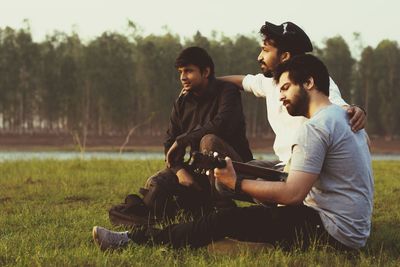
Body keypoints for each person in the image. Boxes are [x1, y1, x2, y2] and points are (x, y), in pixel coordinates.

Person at [92, 54, 374, 252]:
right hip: (352, 230)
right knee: (259, 202)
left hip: (332, 232)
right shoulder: (347, 117)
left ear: (309, 83)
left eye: (286, 87)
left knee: (226, 220)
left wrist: (236, 183)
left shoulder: (315, 128)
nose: (282, 96)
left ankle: (135, 239)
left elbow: (292, 195)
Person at [113, 46, 253, 224]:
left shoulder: (227, 92)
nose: (183, 77)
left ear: (206, 71)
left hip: (235, 168)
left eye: (188, 71)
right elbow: (169, 144)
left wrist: (184, 141)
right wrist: (180, 172)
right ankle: (147, 218)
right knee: (159, 182)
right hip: (201, 171)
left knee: (208, 141)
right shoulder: (182, 102)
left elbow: (221, 124)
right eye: (180, 72)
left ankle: (222, 210)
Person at [220, 21, 367, 167]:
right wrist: (208, 81)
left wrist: (355, 111)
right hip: (282, 164)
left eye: (265, 50)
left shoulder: (311, 81)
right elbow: (243, 81)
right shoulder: (270, 82)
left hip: (304, 165)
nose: (259, 57)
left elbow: (337, 108)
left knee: (246, 179)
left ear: (284, 56)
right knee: (235, 166)